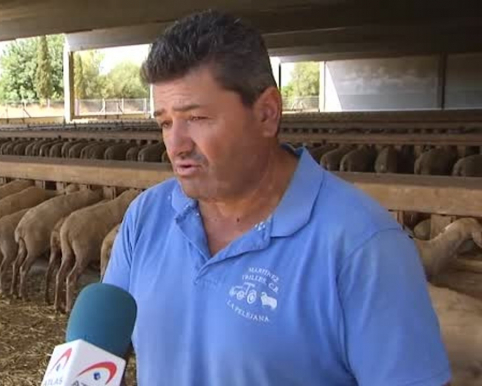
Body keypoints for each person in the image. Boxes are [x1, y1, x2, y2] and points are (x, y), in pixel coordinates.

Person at [102, 9, 451, 386]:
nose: (176, 145)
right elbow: (103, 351)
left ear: (267, 113)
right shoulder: (147, 217)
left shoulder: (361, 245)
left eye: (197, 118)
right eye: (165, 122)